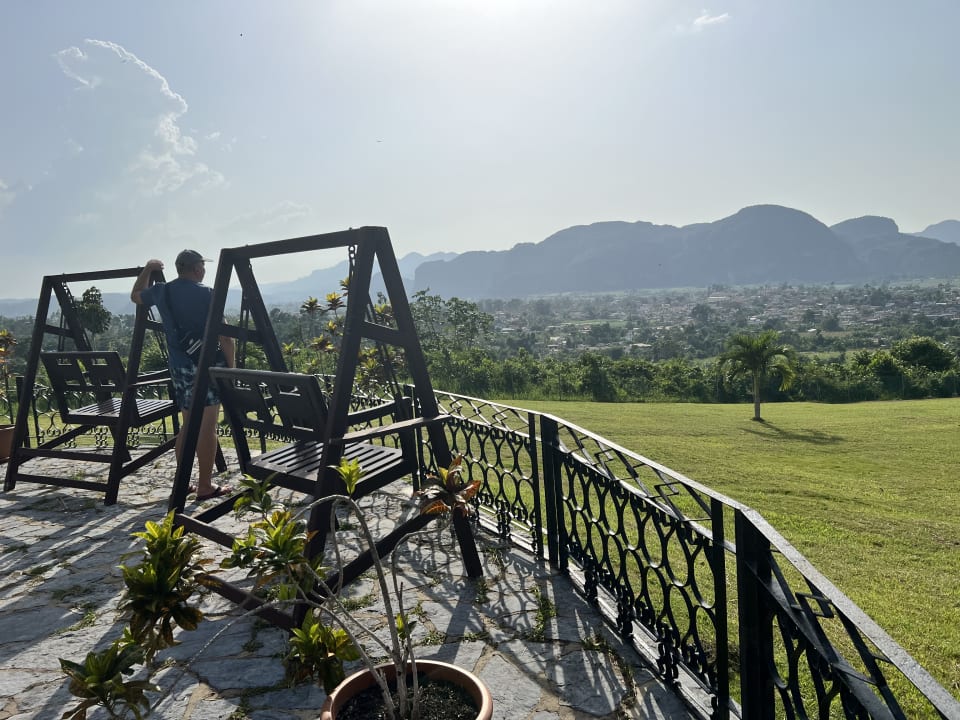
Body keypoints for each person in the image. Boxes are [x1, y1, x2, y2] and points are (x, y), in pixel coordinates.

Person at [130, 250, 235, 500]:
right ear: (197, 269)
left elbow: (136, 296)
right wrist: (231, 371)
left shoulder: (162, 291)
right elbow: (225, 337)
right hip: (206, 366)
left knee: (188, 425)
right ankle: (205, 486)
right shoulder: (208, 293)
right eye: (203, 266)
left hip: (179, 367)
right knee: (207, 427)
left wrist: (148, 268)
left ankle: (183, 481)